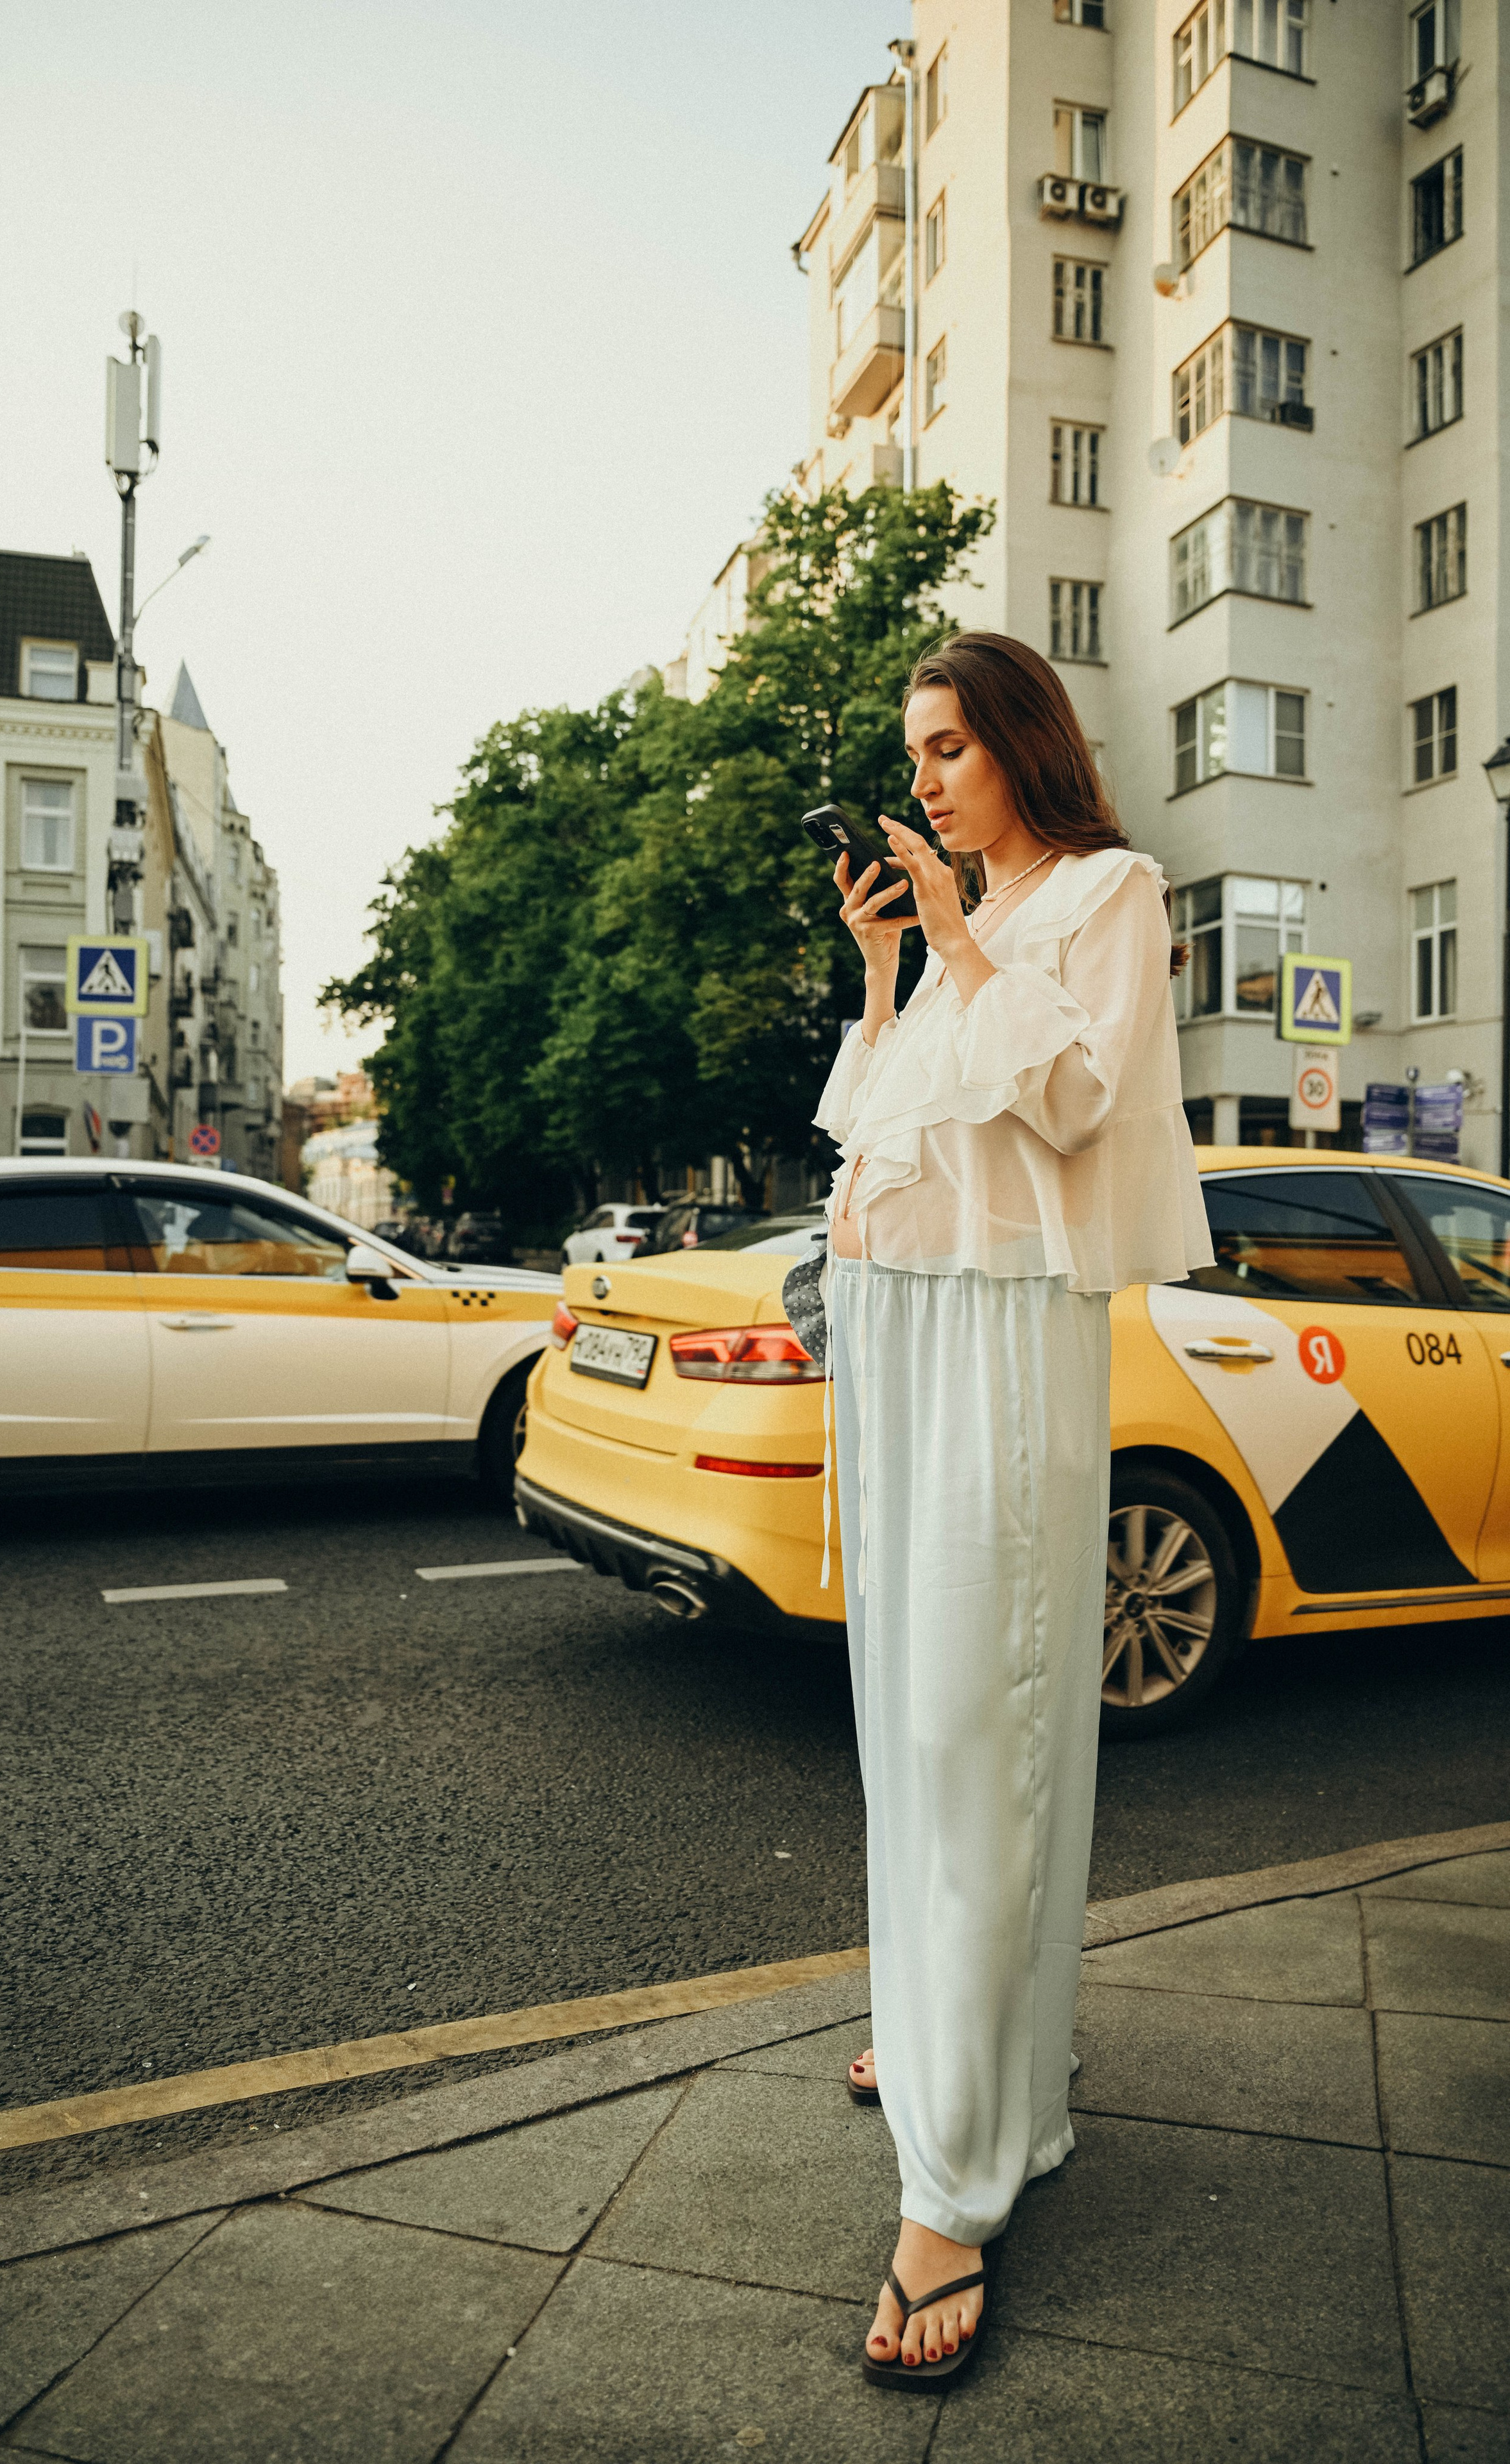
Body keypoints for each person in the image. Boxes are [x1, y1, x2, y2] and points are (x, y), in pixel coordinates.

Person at [815, 631, 1211, 2389]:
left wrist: (966, 943)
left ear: (1024, 747)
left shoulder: (1109, 895)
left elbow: (1070, 1100)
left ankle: (958, 2185)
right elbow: (884, 1140)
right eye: (913, 753)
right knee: (911, 1727)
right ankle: (954, 2033)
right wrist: (893, 971)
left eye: (950, 746)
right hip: (898, 1345)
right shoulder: (959, 936)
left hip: (994, 1345)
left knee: (990, 1724)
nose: (925, 781)